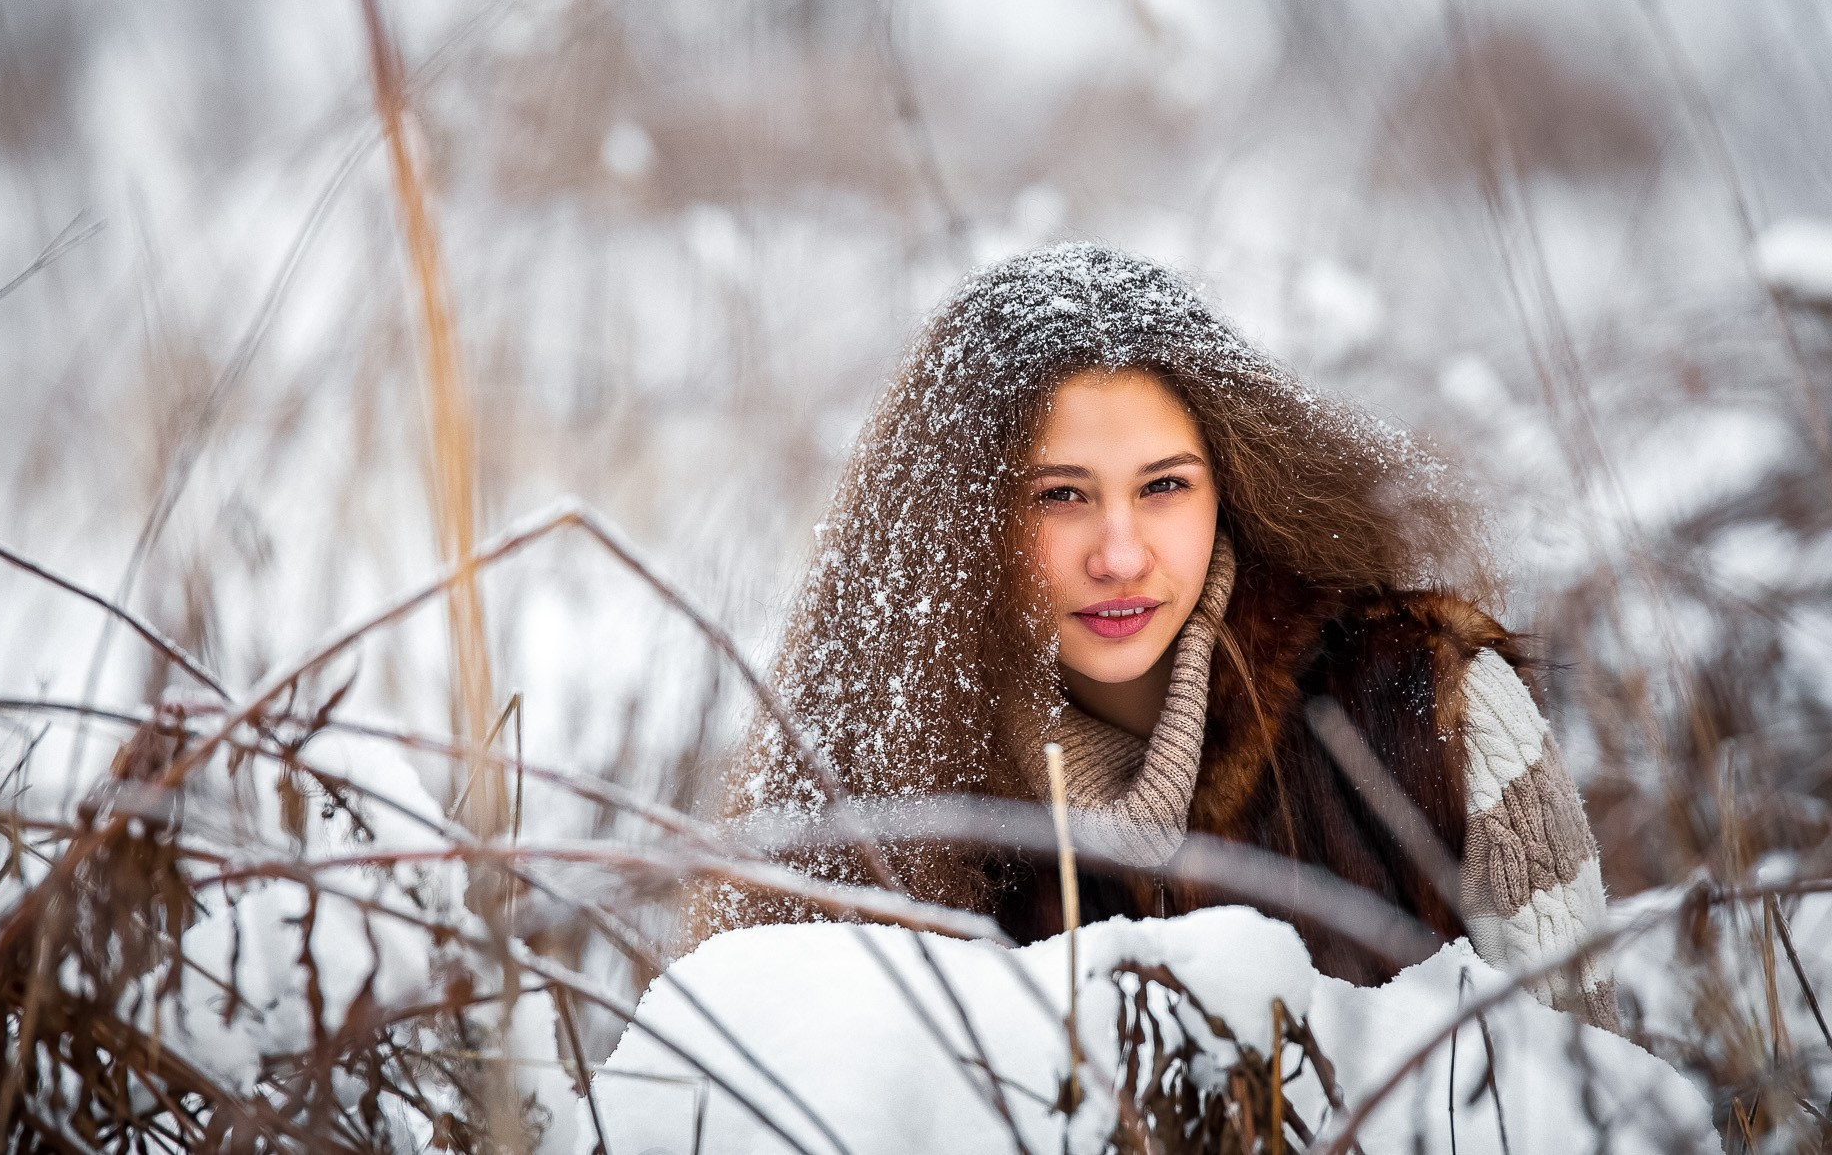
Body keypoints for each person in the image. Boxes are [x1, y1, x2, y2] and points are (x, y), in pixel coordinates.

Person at [691, 241, 1617, 1030]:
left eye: (1164, 485)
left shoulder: (1432, 710)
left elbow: (1583, 1098)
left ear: (1234, 486)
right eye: (1061, 496)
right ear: (960, 531)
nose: (1121, 553)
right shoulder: (892, 793)